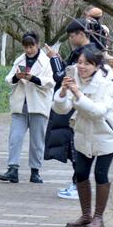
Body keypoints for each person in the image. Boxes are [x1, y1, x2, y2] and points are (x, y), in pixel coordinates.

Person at [52, 47, 113, 227]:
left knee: (100, 173)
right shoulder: (75, 78)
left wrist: (78, 94)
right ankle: (86, 216)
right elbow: (61, 109)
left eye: (87, 63)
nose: (82, 67)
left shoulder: (105, 83)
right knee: (81, 172)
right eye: (79, 62)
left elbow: (98, 112)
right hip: (84, 132)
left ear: (96, 65)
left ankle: (98, 218)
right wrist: (62, 92)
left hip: (107, 133)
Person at [44, 18, 96, 199]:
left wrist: (54, 60)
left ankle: (79, 186)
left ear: (81, 34)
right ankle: (77, 183)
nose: (71, 40)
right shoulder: (90, 52)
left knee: (78, 148)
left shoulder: (84, 54)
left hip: (78, 106)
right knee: (77, 147)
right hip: (79, 105)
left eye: (72, 36)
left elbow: (62, 76)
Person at [0, 31, 55, 184]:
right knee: (15, 137)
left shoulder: (46, 62)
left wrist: (34, 79)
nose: (29, 50)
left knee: (37, 140)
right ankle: (13, 169)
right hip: (20, 104)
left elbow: (51, 81)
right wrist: (17, 77)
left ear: (37, 45)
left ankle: (35, 171)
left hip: (38, 105)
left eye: (31, 46)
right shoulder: (19, 60)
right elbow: (8, 78)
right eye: (26, 47)